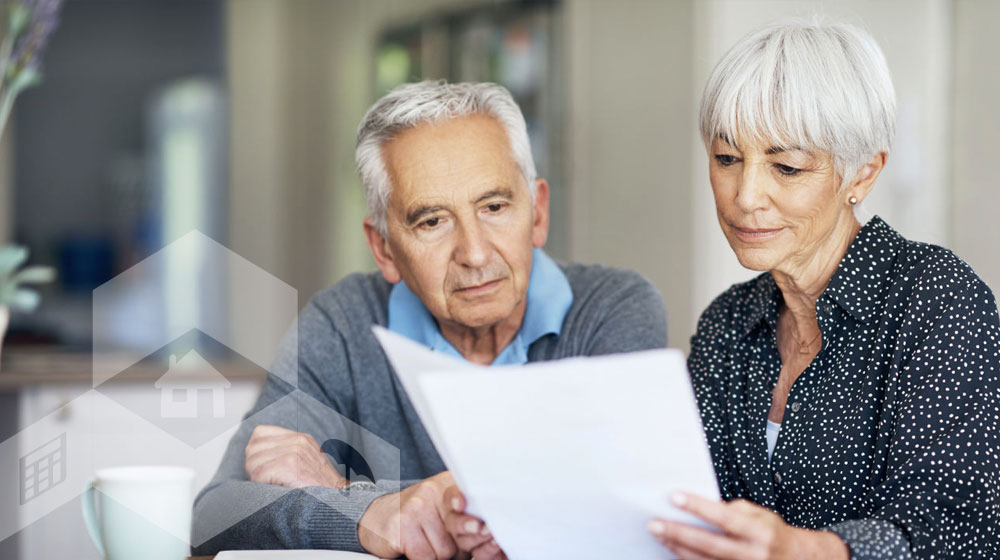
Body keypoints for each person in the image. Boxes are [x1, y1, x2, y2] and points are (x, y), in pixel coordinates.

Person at [192, 80, 668, 559]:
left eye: (495, 207)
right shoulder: (343, 323)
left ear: (538, 212)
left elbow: (615, 509)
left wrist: (347, 494)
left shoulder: (614, 308)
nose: (475, 253)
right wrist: (373, 514)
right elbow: (215, 513)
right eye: (432, 221)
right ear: (384, 248)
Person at [646, 20, 999, 560]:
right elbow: (684, 505)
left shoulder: (935, 300)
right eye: (726, 158)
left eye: (786, 167)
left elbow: (953, 527)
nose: (745, 195)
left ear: (861, 175)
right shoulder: (727, 325)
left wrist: (804, 551)